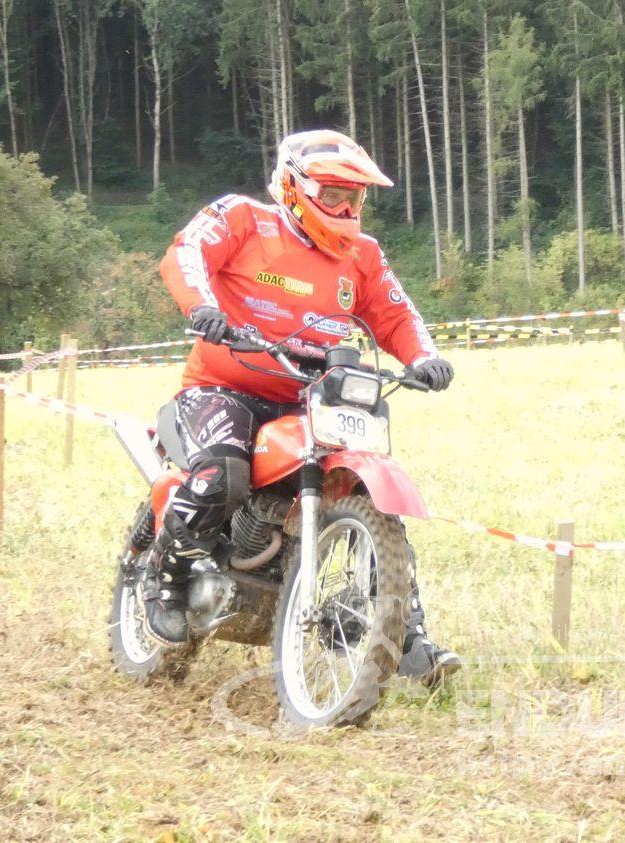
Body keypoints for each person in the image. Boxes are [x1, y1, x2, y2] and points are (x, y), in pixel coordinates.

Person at [152, 128, 461, 684]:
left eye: (354, 197)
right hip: (222, 386)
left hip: (311, 397)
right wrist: (202, 308)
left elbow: (396, 314)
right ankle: (165, 580)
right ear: (294, 187)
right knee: (223, 472)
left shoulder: (362, 256)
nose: (344, 209)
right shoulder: (244, 219)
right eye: (332, 195)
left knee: (364, 491)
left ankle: (404, 630)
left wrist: (424, 358)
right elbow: (186, 252)